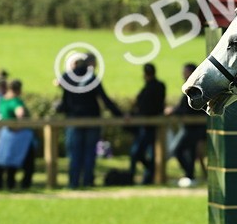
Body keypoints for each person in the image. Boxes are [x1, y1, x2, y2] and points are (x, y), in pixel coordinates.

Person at [55, 53, 123, 188]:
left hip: (73, 120)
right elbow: (104, 99)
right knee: (89, 153)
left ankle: (73, 183)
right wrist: (120, 115)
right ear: (91, 63)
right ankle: (87, 181)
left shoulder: (68, 77)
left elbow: (65, 100)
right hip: (92, 120)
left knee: (74, 154)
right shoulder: (91, 78)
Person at [167, 62, 208, 186]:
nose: (183, 74)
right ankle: (190, 176)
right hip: (191, 127)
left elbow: (188, 108)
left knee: (177, 150)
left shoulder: (194, 88)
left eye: (185, 71)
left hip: (194, 128)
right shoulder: (193, 86)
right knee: (189, 152)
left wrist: (173, 111)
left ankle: (189, 175)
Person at [0, 79, 36, 191]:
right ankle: (23, 185)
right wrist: (20, 125)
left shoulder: (3, 100)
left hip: (6, 133)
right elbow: (20, 113)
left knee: (3, 160)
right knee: (26, 162)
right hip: (19, 134)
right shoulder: (16, 101)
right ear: (18, 89)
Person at [129, 63, 165, 185]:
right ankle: (149, 175)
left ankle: (144, 175)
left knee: (137, 153)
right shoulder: (159, 86)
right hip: (152, 124)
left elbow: (143, 105)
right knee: (149, 153)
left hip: (146, 125)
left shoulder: (149, 88)